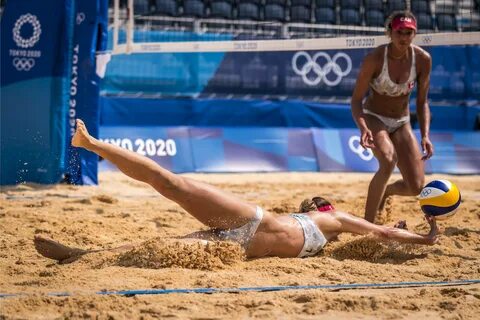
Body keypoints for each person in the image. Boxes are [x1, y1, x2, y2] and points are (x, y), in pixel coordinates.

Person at [34, 119, 439, 263]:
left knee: (159, 245)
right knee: (171, 183)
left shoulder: (333, 236)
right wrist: (424, 235)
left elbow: (382, 238)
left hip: (239, 248)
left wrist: (413, 234)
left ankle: (81, 255)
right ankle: (90, 143)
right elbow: (382, 232)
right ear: (322, 207)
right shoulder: (335, 218)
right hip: (249, 221)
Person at [350, 10, 434, 223]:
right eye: (400, 32)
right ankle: (368, 226)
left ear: (414, 34)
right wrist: (363, 128)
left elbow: (422, 102)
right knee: (388, 160)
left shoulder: (422, 59)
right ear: (390, 33)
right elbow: (356, 100)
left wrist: (425, 135)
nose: (404, 38)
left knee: (416, 187)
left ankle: (386, 192)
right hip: (374, 116)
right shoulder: (375, 58)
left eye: (409, 33)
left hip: (402, 121)